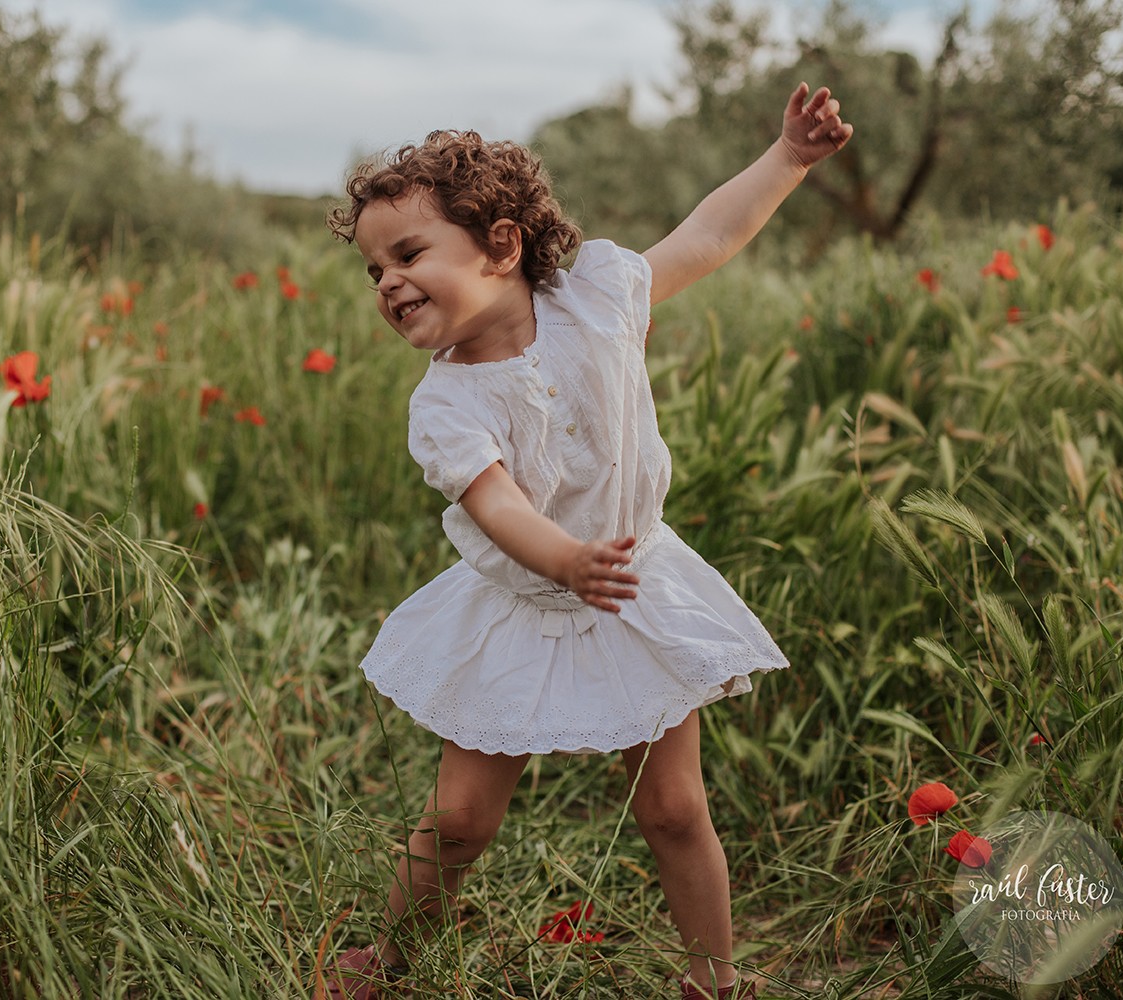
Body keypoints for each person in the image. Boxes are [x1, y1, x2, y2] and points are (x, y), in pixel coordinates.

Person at [322, 82, 853, 1000]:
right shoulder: (445, 404)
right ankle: (389, 957)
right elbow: (496, 507)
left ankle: (715, 980)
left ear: (500, 244)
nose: (389, 282)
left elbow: (707, 235)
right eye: (374, 271)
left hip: (634, 584)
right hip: (521, 602)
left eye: (407, 253)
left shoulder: (597, 300)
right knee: (458, 818)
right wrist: (564, 560)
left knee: (674, 808)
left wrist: (789, 159)